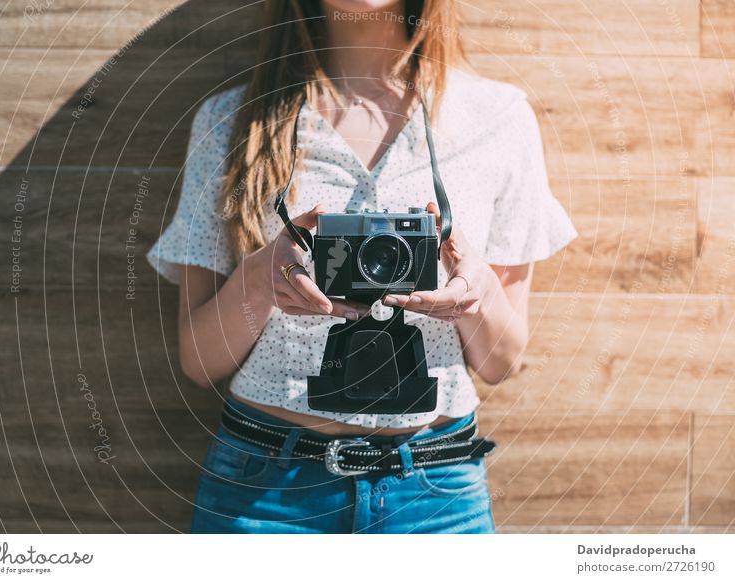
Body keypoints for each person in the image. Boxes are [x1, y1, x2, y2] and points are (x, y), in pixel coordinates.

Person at [147, 0, 578, 533]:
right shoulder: (231, 122)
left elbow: (501, 361)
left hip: (435, 491)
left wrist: (475, 294)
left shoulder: (498, 118)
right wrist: (261, 281)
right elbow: (199, 359)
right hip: (265, 493)